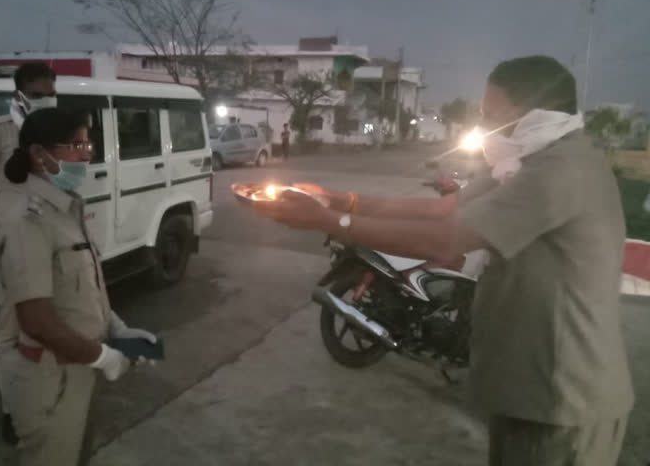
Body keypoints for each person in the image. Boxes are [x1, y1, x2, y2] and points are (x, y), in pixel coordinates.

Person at [255, 56, 633, 466]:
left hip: (562, 398)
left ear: (528, 112)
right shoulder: (526, 160)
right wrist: (343, 200)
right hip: (530, 389)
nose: (485, 124)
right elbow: (445, 209)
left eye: (491, 114)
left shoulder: (561, 169)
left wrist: (330, 221)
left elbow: (446, 239)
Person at [0, 108, 156, 465]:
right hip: (48, 380)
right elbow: (35, 319)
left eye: (88, 144)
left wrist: (119, 331)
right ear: (40, 154)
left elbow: (84, 290)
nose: (87, 154)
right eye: (77, 145)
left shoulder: (66, 210)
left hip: (79, 367)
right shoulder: (27, 220)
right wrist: (103, 357)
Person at [0, 62, 58, 445]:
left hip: (53, 239)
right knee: (12, 331)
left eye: (50, 93)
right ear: (20, 92)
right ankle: (11, 409)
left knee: (50, 321)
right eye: (38, 94)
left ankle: (46, 395)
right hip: (15, 243)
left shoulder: (56, 130)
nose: (46, 100)